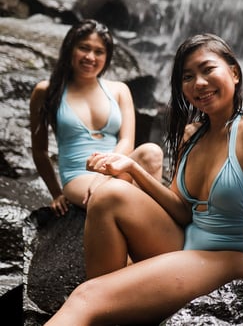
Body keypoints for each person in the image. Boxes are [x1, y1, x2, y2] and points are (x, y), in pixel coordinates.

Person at [45, 33, 243, 325]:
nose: (198, 83)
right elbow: (181, 210)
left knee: (86, 297)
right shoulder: (192, 134)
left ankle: (103, 303)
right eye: (188, 77)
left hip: (233, 256)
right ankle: (114, 306)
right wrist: (133, 170)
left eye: (208, 69)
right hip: (188, 241)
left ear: (234, 73)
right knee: (109, 194)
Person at [29, 19, 163, 216]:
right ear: (70, 49)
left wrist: (105, 175)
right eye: (84, 48)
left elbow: (127, 141)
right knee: (113, 195)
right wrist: (56, 193)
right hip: (79, 176)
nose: (90, 57)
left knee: (152, 151)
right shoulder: (47, 91)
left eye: (99, 51)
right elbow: (40, 150)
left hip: (117, 168)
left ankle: (152, 221)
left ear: (107, 56)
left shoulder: (119, 90)